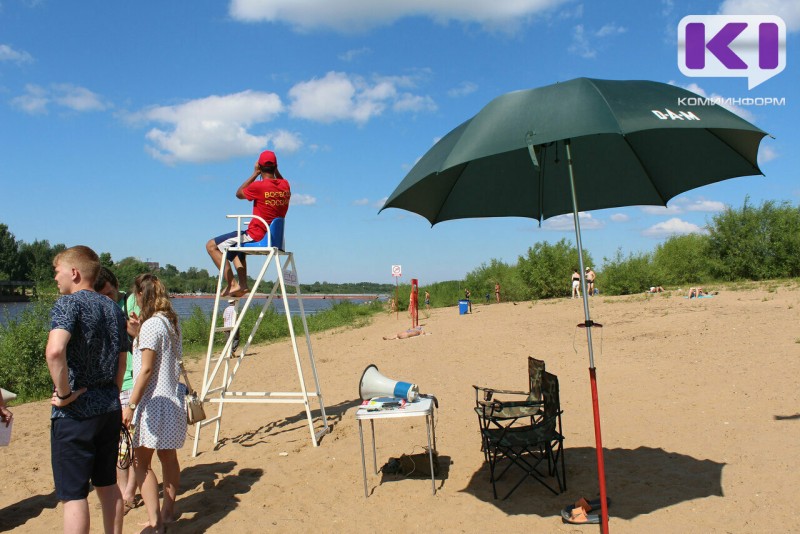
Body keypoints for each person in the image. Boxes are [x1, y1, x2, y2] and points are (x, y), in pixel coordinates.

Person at [46, 245, 129, 534]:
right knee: (108, 485)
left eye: (57, 272)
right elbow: (122, 361)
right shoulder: (113, 307)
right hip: (109, 408)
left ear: (74, 272)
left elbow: (55, 351)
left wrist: (65, 393)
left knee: (74, 495)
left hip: (76, 414)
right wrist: (110, 394)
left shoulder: (68, 305)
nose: (55, 278)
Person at [123, 274, 188, 533]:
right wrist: (137, 334)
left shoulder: (151, 325)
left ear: (140, 295)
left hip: (153, 403)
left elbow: (146, 369)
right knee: (168, 458)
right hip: (172, 399)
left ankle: (155, 521)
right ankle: (167, 512)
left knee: (141, 463)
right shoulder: (171, 322)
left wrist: (130, 405)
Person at [206, 150, 291, 298]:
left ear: (259, 166)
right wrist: (276, 171)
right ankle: (243, 285)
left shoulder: (259, 186)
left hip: (257, 235)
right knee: (236, 246)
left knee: (211, 246)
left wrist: (254, 174)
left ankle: (232, 283)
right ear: (276, 166)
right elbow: (282, 181)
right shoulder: (285, 186)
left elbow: (239, 193)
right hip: (274, 238)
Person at [94, 267, 140, 514]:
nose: (108, 300)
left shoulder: (132, 302)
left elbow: (146, 339)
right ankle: (125, 490)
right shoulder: (96, 307)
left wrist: (133, 330)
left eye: (110, 294)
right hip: (110, 382)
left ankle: (129, 492)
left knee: (128, 439)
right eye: (103, 296)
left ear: (116, 286)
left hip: (132, 379)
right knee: (117, 441)